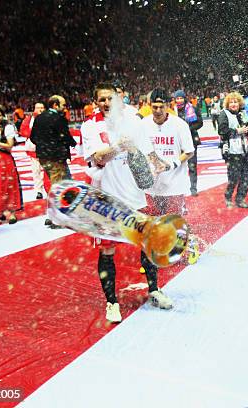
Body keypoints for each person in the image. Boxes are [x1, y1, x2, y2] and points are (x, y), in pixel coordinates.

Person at [81, 82, 171, 323]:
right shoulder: (90, 126)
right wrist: (118, 146)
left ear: (119, 99)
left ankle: (154, 290)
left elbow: (146, 152)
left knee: (148, 243)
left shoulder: (132, 120)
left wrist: (156, 163)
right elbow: (98, 158)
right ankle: (111, 302)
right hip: (106, 200)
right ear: (96, 102)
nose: (107, 103)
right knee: (107, 251)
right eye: (102, 99)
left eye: (111, 98)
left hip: (135, 196)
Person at [139, 87, 196, 305]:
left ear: (169, 105)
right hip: (151, 187)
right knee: (151, 226)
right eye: (154, 107)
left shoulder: (179, 124)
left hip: (174, 183)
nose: (158, 110)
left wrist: (171, 163)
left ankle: (187, 247)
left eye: (162, 106)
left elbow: (189, 151)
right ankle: (151, 260)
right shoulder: (143, 125)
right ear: (149, 105)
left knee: (174, 223)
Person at [31, 95, 76, 227]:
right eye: (63, 105)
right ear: (55, 105)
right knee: (59, 186)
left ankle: (63, 214)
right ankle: (55, 218)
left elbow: (33, 138)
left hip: (44, 157)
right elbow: (66, 137)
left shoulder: (39, 118)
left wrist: (44, 146)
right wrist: (72, 143)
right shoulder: (59, 118)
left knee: (62, 183)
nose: (65, 107)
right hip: (57, 157)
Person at [0, 106, 23, 224]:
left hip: (4, 159)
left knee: (8, 185)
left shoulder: (8, 127)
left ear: (3, 116)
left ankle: (12, 213)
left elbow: (9, 145)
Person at [218, 92, 248, 208]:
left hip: (244, 150)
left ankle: (240, 198)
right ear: (227, 104)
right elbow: (222, 131)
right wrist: (237, 131)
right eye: (231, 102)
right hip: (231, 151)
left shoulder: (244, 114)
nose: (233, 104)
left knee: (246, 177)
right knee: (234, 177)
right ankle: (228, 196)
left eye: (235, 102)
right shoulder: (224, 114)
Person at [173, 90, 203, 196]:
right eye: (177, 98)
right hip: (176, 142)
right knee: (177, 164)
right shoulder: (172, 111)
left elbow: (200, 123)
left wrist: (187, 129)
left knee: (192, 165)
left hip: (191, 139)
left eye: (181, 98)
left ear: (184, 98)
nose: (179, 100)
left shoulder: (192, 108)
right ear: (175, 100)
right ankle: (178, 187)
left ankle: (193, 188)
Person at [19, 102, 47, 199]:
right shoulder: (28, 119)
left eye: (42, 108)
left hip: (47, 150)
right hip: (33, 150)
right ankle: (38, 191)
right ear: (34, 109)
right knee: (36, 171)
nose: (40, 110)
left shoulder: (49, 119)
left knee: (47, 171)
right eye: (38, 108)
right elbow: (23, 131)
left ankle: (49, 189)